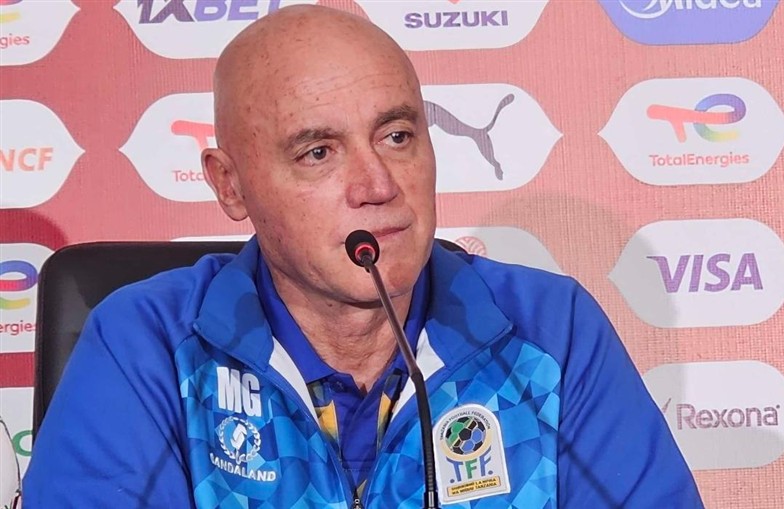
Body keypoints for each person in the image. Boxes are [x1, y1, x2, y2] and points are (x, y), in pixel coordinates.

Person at [23, 5, 704, 508]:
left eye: (398, 136)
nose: (378, 185)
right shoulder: (147, 348)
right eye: (318, 152)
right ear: (231, 185)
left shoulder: (550, 333)